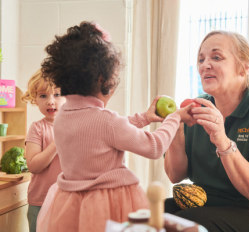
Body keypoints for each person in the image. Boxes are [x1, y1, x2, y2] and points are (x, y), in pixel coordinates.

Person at [36, 21, 193, 232]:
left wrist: (144, 118)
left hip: (70, 203)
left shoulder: (64, 115)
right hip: (109, 203)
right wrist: (175, 118)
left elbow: (101, 134)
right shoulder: (106, 121)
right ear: (104, 80)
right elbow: (154, 146)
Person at [164, 30, 249, 231]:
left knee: (186, 222)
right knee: (147, 213)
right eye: (201, 59)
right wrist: (176, 129)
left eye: (216, 57)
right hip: (202, 205)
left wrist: (222, 140)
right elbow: (175, 175)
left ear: (244, 67)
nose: (205, 65)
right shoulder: (198, 107)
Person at [21, 69, 66, 232]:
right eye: (43, 96)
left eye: (57, 94)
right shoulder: (37, 128)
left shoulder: (74, 126)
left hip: (68, 201)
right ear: (35, 99)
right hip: (40, 202)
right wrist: (56, 143)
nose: (50, 101)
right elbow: (33, 166)